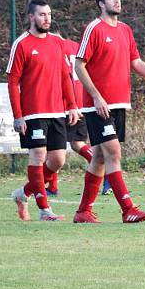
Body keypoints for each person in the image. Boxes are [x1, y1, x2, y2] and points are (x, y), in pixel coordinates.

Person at [73, 0, 145, 223]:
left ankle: (83, 211)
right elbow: (79, 65)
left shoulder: (125, 30)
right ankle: (128, 209)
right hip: (99, 105)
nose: (117, 2)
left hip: (119, 103)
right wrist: (96, 96)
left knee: (98, 157)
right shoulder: (94, 29)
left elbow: (135, 61)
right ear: (101, 4)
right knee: (114, 153)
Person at [7, 0, 79, 221]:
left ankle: (23, 193)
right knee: (38, 156)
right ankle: (44, 210)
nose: (47, 18)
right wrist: (18, 116)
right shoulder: (22, 44)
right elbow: (13, 82)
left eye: (49, 14)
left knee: (57, 160)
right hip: (33, 112)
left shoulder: (57, 43)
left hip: (57, 111)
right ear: (31, 17)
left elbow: (65, 77)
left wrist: (72, 105)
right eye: (42, 15)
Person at [48, 34, 95, 197]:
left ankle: (52, 186)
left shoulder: (53, 46)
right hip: (82, 102)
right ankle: (101, 167)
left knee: (52, 147)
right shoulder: (77, 46)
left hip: (63, 104)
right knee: (77, 143)